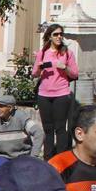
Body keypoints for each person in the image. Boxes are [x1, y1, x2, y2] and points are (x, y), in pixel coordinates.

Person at [34, 24, 79, 158]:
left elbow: (75, 74)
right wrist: (39, 67)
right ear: (49, 36)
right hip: (44, 95)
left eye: (61, 34)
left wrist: (64, 67)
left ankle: (61, 158)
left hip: (61, 94)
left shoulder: (67, 53)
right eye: (55, 34)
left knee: (60, 129)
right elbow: (34, 74)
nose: (59, 37)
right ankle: (48, 158)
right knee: (48, 129)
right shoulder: (42, 53)